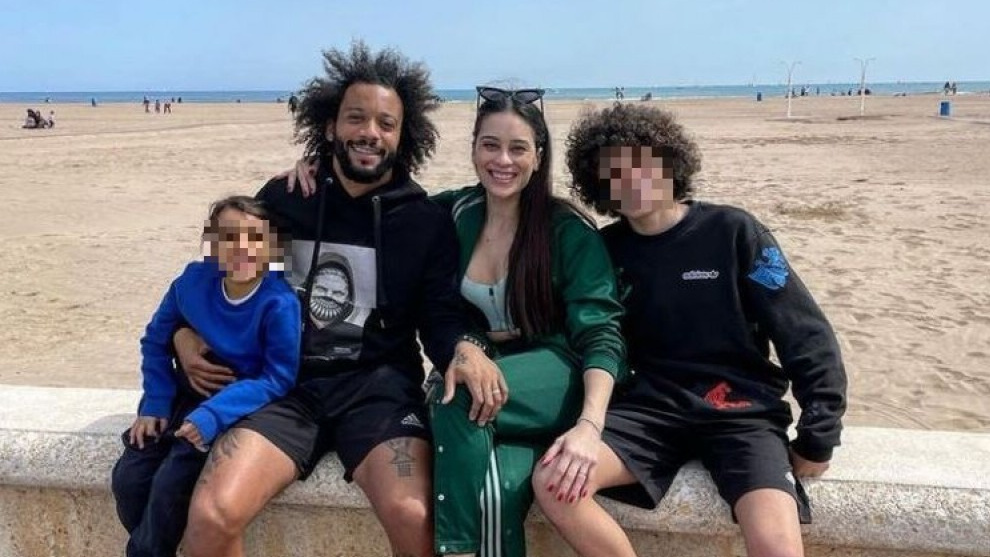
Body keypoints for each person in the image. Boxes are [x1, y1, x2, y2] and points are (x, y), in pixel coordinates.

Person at [176, 42, 494, 557]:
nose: (370, 132)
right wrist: (183, 334)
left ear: (403, 136)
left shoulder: (424, 222)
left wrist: (464, 347)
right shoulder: (285, 199)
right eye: (356, 118)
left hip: (378, 390)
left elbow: (439, 314)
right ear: (329, 127)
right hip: (284, 385)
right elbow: (223, 277)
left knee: (414, 517)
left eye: (386, 123)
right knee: (211, 516)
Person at [285, 86, 626, 557]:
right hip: (496, 379)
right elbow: (378, 195)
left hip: (560, 374)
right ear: (473, 149)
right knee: (498, 488)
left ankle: (457, 551)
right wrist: (318, 169)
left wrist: (590, 424)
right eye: (490, 145)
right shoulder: (452, 212)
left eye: (518, 148)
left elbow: (601, 333)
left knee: (455, 393)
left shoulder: (567, 230)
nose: (502, 160)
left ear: (538, 155)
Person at [533, 104, 847, 557]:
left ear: (670, 163)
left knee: (778, 546)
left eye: (641, 165)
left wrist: (819, 435)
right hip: (647, 412)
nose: (630, 180)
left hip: (740, 413)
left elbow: (805, 333)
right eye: (613, 173)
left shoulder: (734, 232)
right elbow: (576, 331)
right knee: (553, 481)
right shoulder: (602, 251)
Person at [110, 195, 301, 557]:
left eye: (254, 238)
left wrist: (213, 416)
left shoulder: (279, 302)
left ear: (273, 248)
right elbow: (155, 341)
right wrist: (155, 403)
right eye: (229, 237)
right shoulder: (192, 281)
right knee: (129, 480)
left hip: (230, 405)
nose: (241, 248)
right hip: (179, 395)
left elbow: (278, 377)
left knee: (171, 482)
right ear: (211, 244)